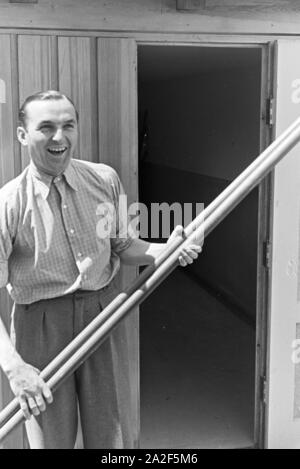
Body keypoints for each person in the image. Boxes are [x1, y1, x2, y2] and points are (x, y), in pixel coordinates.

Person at [0, 90, 201, 449]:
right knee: (51, 442)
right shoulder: (8, 204)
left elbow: (124, 246)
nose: (59, 137)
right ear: (22, 135)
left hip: (101, 316)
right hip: (40, 326)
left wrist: (167, 249)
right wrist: (14, 367)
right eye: (46, 127)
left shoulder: (103, 180)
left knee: (110, 436)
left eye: (67, 125)